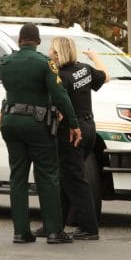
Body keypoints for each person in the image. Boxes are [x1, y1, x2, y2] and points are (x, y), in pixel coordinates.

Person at [0, 24, 80, 244]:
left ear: (19, 40)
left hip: (10, 123)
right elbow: (60, 95)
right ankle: (55, 232)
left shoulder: (5, 61)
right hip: (38, 126)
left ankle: (21, 232)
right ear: (37, 42)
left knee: (17, 176)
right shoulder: (45, 64)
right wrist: (74, 124)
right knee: (47, 175)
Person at [47, 36, 109, 240]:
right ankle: (55, 225)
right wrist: (94, 56)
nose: (49, 54)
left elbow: (61, 109)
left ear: (57, 54)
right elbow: (106, 76)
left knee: (75, 180)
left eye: (51, 51)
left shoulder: (61, 77)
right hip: (90, 127)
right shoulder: (85, 69)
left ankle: (89, 228)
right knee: (67, 177)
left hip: (72, 131)